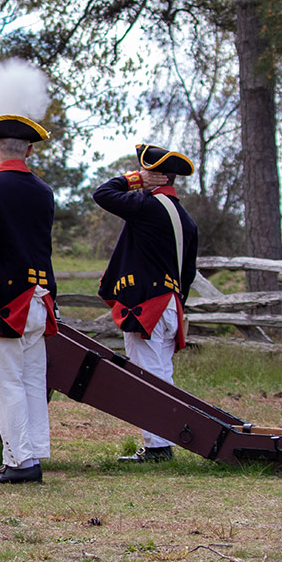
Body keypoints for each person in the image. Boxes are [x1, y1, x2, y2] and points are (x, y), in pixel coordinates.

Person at [0, 115, 56, 484]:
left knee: (5, 381)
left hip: (4, 300)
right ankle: (32, 452)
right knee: (32, 379)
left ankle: (19, 461)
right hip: (39, 295)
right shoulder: (43, 190)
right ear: (30, 150)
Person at [93, 144, 198, 462]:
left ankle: (159, 447)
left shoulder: (148, 206)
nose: (142, 176)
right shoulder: (185, 219)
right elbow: (188, 273)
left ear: (155, 175)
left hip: (148, 304)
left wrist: (133, 180)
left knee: (148, 376)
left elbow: (103, 193)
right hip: (171, 304)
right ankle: (165, 439)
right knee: (161, 372)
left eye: (146, 171)